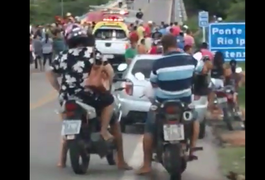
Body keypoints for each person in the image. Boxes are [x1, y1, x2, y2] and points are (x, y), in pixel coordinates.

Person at [46, 24, 131, 170]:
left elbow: (50, 73)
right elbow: (109, 71)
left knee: (68, 124)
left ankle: (61, 161)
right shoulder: (93, 53)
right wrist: (108, 87)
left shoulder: (62, 55)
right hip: (88, 96)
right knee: (110, 102)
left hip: (67, 98)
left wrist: (59, 89)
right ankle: (106, 134)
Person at [136, 34, 211, 174]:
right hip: (183, 103)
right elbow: (203, 71)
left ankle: (146, 164)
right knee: (194, 120)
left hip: (163, 104)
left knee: (149, 129)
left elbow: (153, 82)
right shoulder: (190, 60)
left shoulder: (158, 63)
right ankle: (193, 147)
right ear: (176, 44)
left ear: (163, 47)